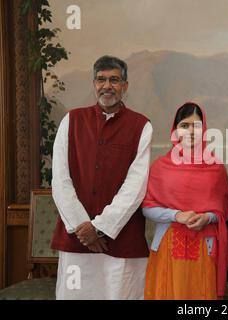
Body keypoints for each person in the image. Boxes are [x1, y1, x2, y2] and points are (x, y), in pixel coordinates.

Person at [51, 55, 153, 299]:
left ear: (125, 86)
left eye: (114, 80)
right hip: (77, 239)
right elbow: (60, 180)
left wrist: (100, 228)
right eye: (101, 80)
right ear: (93, 84)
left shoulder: (141, 126)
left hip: (121, 239)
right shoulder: (71, 121)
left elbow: (135, 187)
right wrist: (83, 228)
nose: (107, 86)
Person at [142, 102, 228, 300]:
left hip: (204, 248)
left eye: (196, 126)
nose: (191, 131)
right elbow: (147, 207)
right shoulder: (160, 167)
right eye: (184, 125)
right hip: (167, 246)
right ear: (175, 130)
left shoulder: (215, 168)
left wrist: (208, 217)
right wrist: (176, 215)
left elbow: (224, 211)